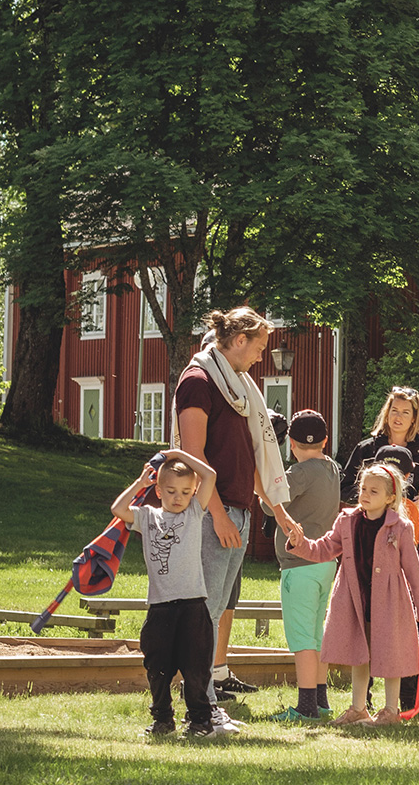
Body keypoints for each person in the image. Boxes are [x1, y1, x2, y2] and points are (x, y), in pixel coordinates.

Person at [174, 306, 297, 734]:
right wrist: (220, 514)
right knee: (204, 613)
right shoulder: (198, 381)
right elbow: (193, 456)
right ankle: (200, 710)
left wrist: (277, 512)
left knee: (214, 610)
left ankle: (204, 704)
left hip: (239, 512)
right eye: (259, 347)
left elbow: (253, 459)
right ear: (239, 340)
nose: (261, 357)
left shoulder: (239, 389)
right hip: (214, 514)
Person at [283, 462, 419, 726]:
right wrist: (300, 543)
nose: (365, 494)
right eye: (363, 488)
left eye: (374, 491)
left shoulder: (400, 527)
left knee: (390, 654)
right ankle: (358, 707)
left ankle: (390, 710)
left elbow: (413, 570)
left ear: (390, 497)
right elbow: (324, 549)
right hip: (355, 599)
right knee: (358, 653)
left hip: (389, 602)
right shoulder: (347, 521)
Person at [110, 449, 219, 737]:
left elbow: (211, 475)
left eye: (185, 491)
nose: (178, 497)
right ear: (158, 491)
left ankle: (200, 721)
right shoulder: (147, 517)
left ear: (193, 491)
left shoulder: (196, 511)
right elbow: (118, 509)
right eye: (170, 491)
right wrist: (139, 483)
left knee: (196, 668)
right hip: (160, 607)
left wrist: (178, 453)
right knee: (157, 666)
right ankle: (162, 719)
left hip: (193, 606)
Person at [262, 410, 340, 722]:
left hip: (298, 564)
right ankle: (320, 699)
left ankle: (305, 706)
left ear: (291, 443)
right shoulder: (332, 469)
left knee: (301, 637)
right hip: (325, 563)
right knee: (317, 634)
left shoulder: (299, 473)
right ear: (324, 441)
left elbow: (269, 503)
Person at [340, 386, 419, 502]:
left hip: (409, 518)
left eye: (405, 412)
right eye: (394, 410)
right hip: (370, 517)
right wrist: (370, 499)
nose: (398, 417)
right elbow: (345, 489)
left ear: (414, 418)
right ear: (387, 413)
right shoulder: (365, 450)